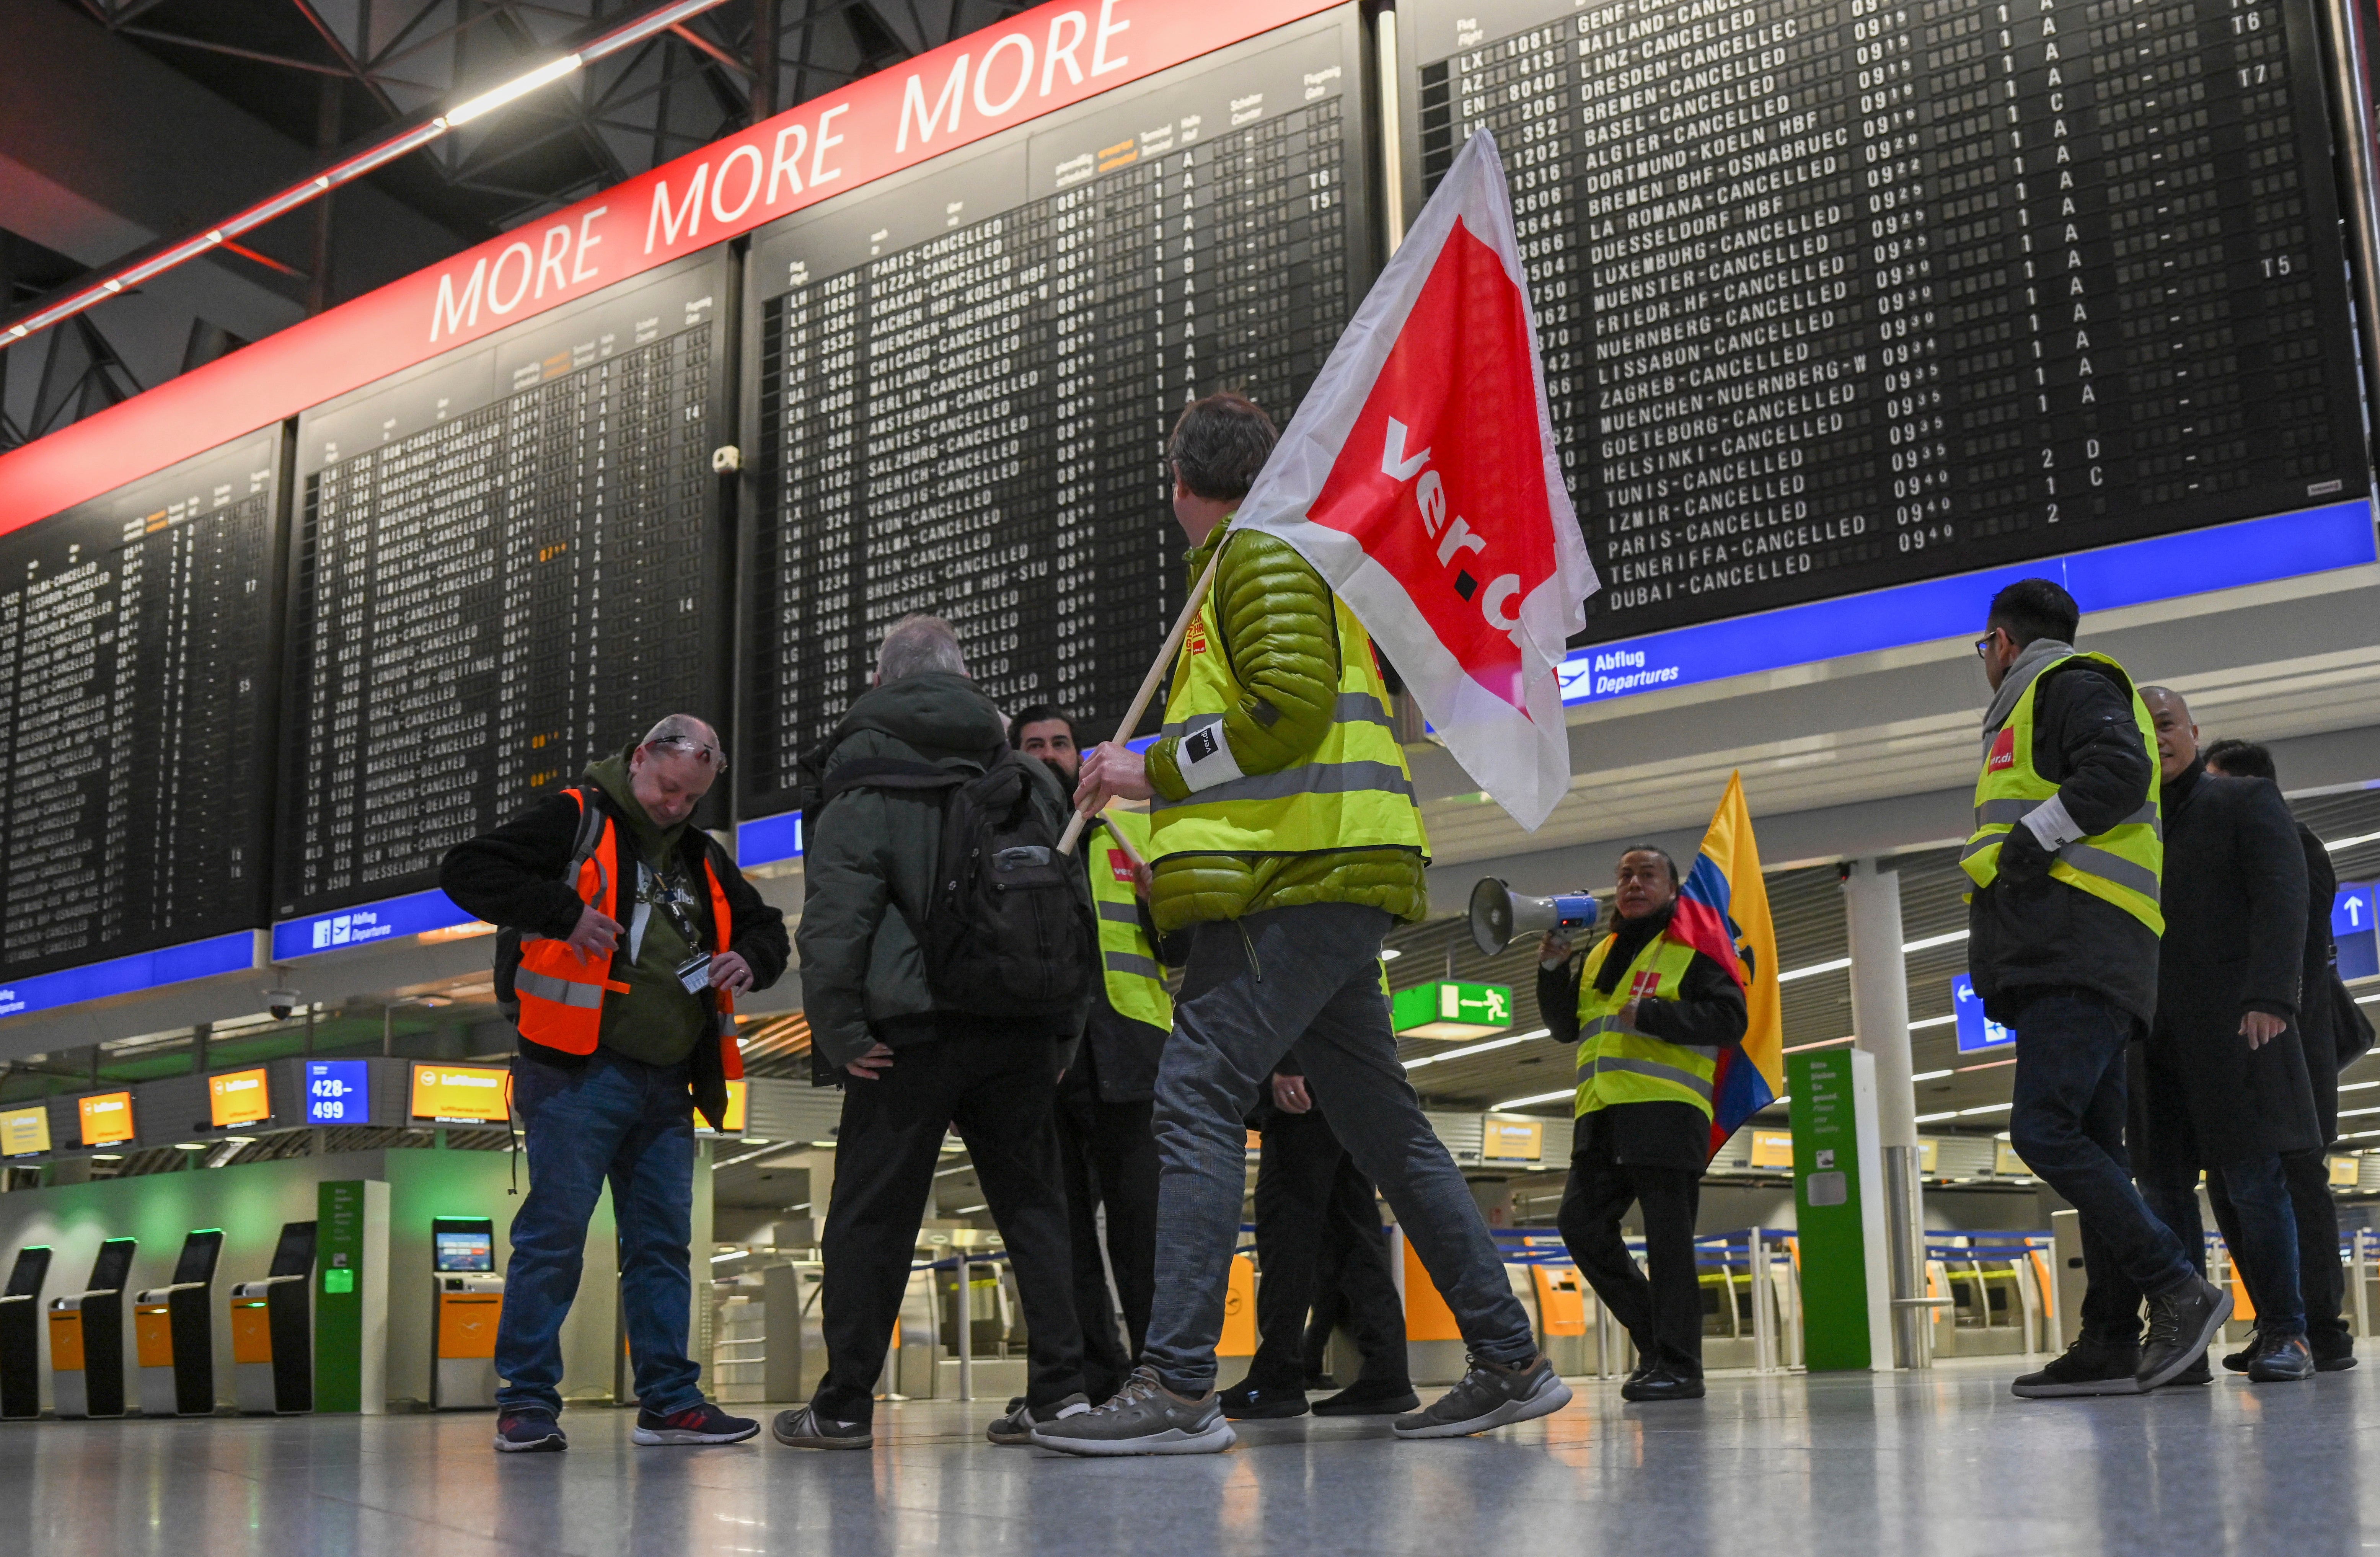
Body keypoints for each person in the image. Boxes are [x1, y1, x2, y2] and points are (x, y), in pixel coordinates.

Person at [1036, 390, 1568, 1455]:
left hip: (1290, 875)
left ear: (1181, 486)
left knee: (1188, 1099)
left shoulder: (1258, 556)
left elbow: (1287, 707)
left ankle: (1179, 1381)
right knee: (1385, 1128)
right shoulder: (1285, 558)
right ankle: (1511, 1357)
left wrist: (1152, 766)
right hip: (1328, 866)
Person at [771, 616, 1095, 1452]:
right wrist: (1061, 1034)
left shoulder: (863, 774)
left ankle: (844, 1405)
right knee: (1035, 1210)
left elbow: (837, 920)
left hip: (906, 1034)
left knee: (871, 1219)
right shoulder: (1025, 772)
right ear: (963, 677)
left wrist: (839, 1031)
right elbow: (1071, 915)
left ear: (881, 683)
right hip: (1021, 1029)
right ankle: (1061, 1396)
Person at [442, 715, 787, 1453]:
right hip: (576, 1071)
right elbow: (466, 869)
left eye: (691, 797)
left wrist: (750, 960)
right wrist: (563, 912)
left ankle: (669, 1400)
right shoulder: (574, 817)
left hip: (669, 1081)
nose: (674, 805)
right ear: (639, 761)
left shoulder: (700, 854)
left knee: (663, 1243)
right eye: (667, 788)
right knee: (555, 1236)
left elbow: (769, 928)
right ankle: (527, 1401)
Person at [1964, 579, 2230, 1398]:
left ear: (2002, 642)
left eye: (1983, 648)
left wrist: (2030, 843)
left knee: (2042, 1130)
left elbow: (2116, 767)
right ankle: (2109, 1337)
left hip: (2075, 949)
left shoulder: (2065, 684)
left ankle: (2178, 1287)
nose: (1984, 661)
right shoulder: (2034, 701)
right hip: (2072, 952)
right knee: (2097, 1144)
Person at [2118, 693, 2318, 1383]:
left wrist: (2270, 996)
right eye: (2141, 731)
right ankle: (2183, 1343)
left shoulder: (2244, 801)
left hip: (2236, 1024)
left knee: (2255, 1183)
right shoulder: (2119, 825)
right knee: (2162, 1188)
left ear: (2194, 733)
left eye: (2166, 725)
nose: (2157, 740)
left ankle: (2286, 1330)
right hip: (2148, 1032)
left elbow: (2283, 895)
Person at [1537, 845, 1748, 1402]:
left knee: (1669, 1243)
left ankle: (1681, 1366)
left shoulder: (1693, 945)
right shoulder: (1603, 950)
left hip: (1665, 1112)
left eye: (1647, 874)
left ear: (1672, 889)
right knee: (1580, 1225)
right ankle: (1657, 1338)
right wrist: (1553, 968)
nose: (1633, 882)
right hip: (1602, 1113)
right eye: (1625, 874)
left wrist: (1653, 1014)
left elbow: (1731, 1019)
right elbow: (1566, 1027)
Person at [1011, 703, 1170, 1402]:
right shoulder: (1005, 842)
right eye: (1034, 745)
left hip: (1131, 1056)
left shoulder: (1128, 833)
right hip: (1045, 1064)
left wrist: (1164, 902)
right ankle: (1091, 1382)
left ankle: (1162, 1374)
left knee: (1145, 1235)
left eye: (1061, 743)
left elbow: (1183, 948)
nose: (1050, 754)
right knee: (1064, 1237)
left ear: (1083, 755)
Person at [2204, 736, 2356, 1371]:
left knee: (2297, 1179)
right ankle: (2277, 1319)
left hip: (2292, 1043)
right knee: (2234, 1182)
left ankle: (2322, 1328)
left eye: (2216, 786)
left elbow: (2292, 946)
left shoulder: (2293, 842)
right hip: (2248, 1044)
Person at [1222, 1062, 1418, 1420]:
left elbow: (1296, 1005)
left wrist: (1290, 1066)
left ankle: (1276, 1377)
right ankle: (1387, 1373)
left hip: (1304, 1096)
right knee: (1355, 1237)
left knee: (1286, 1237)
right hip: (1354, 1098)